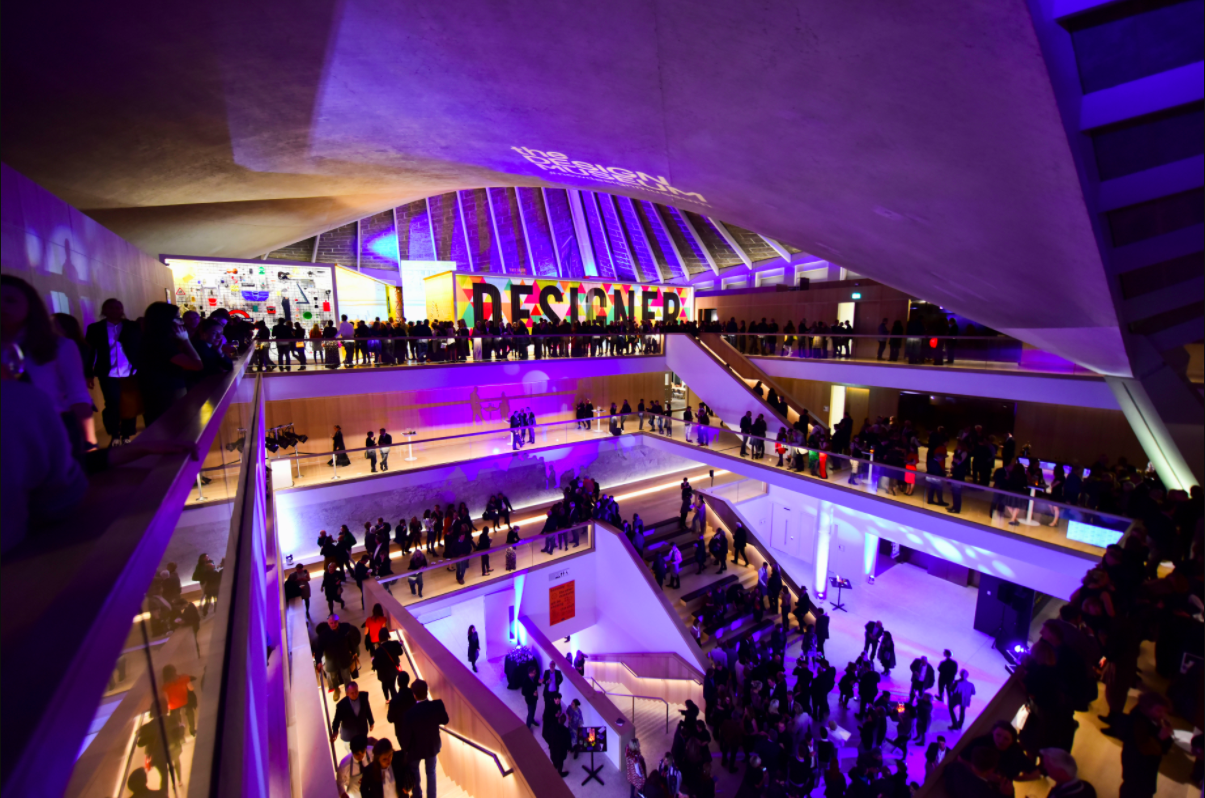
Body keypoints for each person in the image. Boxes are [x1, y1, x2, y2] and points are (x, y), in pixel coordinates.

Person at [2, 276, 95, 451]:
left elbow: (78, 395)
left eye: (11, 300)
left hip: (53, 429)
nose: (3, 306)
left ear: (30, 305)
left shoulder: (59, 345)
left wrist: (89, 442)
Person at [84, 297, 142, 445]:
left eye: (118, 307)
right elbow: (90, 352)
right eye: (110, 308)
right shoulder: (95, 328)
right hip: (107, 372)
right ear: (104, 310)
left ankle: (127, 434)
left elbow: (140, 348)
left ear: (122, 310)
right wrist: (88, 373)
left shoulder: (132, 326)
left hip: (130, 372)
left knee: (129, 403)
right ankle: (114, 434)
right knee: (112, 403)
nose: (114, 310)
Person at [138, 302, 204, 425]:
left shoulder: (150, 339)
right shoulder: (161, 343)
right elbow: (196, 365)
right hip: (167, 393)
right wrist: (186, 340)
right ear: (165, 320)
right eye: (178, 318)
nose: (181, 323)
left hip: (158, 392)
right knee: (173, 427)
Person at [396, 680, 449, 798]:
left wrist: (406, 749)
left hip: (415, 749)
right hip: (432, 746)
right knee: (431, 772)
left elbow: (406, 736)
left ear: (414, 695)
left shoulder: (409, 714)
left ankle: (417, 795)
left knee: (414, 773)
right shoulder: (437, 705)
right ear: (427, 691)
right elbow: (445, 720)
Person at [1117, 692, 1173, 798]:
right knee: (1134, 790)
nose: (1161, 714)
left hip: (1145, 768)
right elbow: (1144, 747)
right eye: (1158, 711)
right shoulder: (1138, 722)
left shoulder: (1152, 718)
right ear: (1147, 707)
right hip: (1137, 767)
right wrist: (1160, 738)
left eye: (1163, 712)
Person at [316, 614, 361, 700]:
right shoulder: (324, 634)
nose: (333, 625)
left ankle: (349, 692)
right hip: (331, 660)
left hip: (343, 658)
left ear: (338, 621)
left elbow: (350, 640)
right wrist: (318, 661)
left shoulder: (345, 628)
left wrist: (354, 652)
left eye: (335, 622)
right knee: (333, 677)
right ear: (328, 623)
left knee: (346, 676)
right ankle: (336, 689)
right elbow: (319, 648)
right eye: (331, 623)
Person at [331, 682, 375, 755]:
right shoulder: (341, 705)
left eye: (356, 692)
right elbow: (337, 720)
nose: (355, 694)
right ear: (347, 694)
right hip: (349, 735)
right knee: (352, 754)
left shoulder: (363, 697)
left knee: (363, 751)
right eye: (352, 693)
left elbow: (367, 709)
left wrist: (371, 721)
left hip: (362, 731)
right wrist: (335, 731)